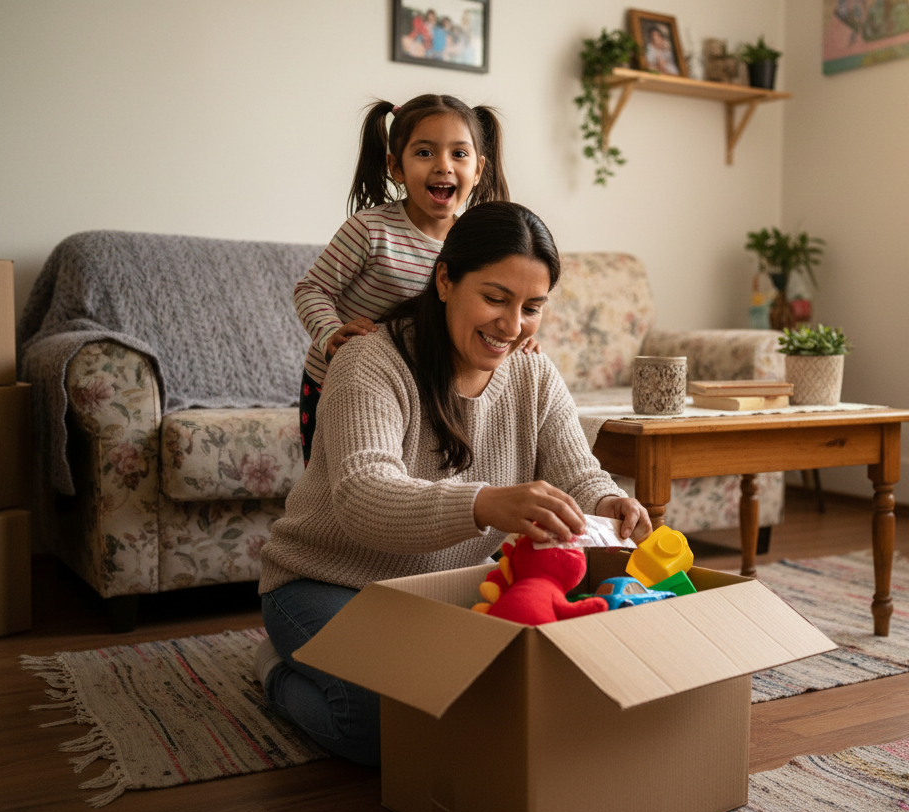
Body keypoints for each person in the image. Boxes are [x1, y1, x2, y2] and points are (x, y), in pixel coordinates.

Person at [256, 201, 652, 765]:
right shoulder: (369, 362)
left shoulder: (534, 372)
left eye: (531, 308)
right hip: (324, 583)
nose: (512, 327)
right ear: (445, 280)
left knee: (485, 705)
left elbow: (579, 472)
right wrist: (486, 503)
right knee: (379, 724)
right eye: (494, 298)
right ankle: (273, 668)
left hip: (443, 592)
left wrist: (610, 501)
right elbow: (363, 496)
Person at [293, 94, 514, 464]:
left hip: (413, 389)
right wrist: (330, 331)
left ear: (478, 170)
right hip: (338, 382)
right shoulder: (370, 229)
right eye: (425, 153)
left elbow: (484, 308)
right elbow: (311, 289)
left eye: (459, 154)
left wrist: (517, 337)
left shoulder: (472, 246)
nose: (443, 166)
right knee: (334, 483)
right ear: (396, 167)